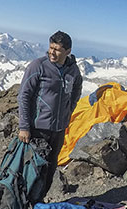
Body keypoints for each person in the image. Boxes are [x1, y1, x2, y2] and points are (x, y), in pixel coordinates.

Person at [17, 30, 83, 199]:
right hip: (39, 129)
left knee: (50, 168)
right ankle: (24, 203)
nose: (52, 52)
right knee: (33, 169)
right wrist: (24, 126)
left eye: (57, 49)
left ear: (67, 51)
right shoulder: (38, 66)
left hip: (59, 130)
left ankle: (39, 201)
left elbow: (76, 89)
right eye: (51, 47)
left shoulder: (72, 70)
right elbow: (24, 95)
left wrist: (69, 110)